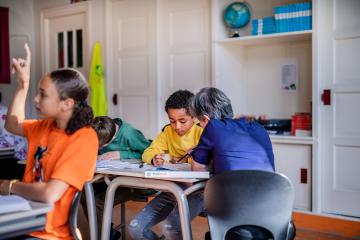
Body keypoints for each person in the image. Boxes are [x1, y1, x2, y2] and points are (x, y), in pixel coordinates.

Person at [0, 44, 98, 240]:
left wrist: (9, 187)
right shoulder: (45, 126)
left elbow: (50, 193)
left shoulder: (84, 137)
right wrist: (23, 84)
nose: (36, 99)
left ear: (67, 103)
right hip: (22, 218)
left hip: (47, 233)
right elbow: (12, 124)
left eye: (43, 95)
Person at [189, 87, 275, 239]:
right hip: (270, 211)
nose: (200, 127)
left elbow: (198, 170)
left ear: (205, 119)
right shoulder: (257, 126)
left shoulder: (213, 127)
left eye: (198, 123)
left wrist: (201, 154)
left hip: (234, 214)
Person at [128, 89, 204, 240]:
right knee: (135, 228)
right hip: (173, 189)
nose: (177, 126)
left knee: (171, 228)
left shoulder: (202, 131)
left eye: (182, 121)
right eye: (172, 120)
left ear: (194, 116)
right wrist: (154, 158)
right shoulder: (167, 132)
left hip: (198, 191)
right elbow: (148, 151)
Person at [90, 116, 151, 238]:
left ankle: (104, 234)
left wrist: (121, 154)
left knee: (97, 201)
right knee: (84, 193)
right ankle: (107, 232)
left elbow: (149, 153)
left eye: (103, 145)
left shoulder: (129, 134)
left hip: (133, 182)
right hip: (110, 177)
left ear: (113, 137)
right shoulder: (99, 130)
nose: (101, 148)